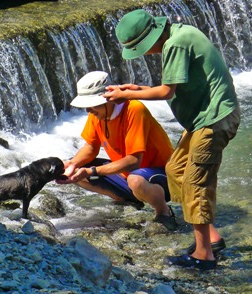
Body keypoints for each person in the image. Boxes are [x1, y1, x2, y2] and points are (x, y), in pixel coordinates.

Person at [104, 9, 240, 270]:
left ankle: (203, 256)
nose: (144, 54)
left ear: (151, 38)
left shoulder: (175, 44)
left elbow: (167, 92)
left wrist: (129, 96)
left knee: (195, 184)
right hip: (207, 118)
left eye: (142, 48)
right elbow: (174, 86)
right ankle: (211, 238)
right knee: (176, 170)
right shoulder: (180, 33)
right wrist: (132, 90)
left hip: (213, 120)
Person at [56, 71, 177, 231]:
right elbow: (91, 147)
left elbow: (134, 162)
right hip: (129, 175)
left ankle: (163, 211)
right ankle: (128, 198)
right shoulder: (97, 113)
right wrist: (71, 163)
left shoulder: (134, 109)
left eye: (91, 105)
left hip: (163, 176)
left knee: (135, 180)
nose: (88, 111)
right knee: (74, 171)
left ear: (108, 99)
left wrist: (92, 171)